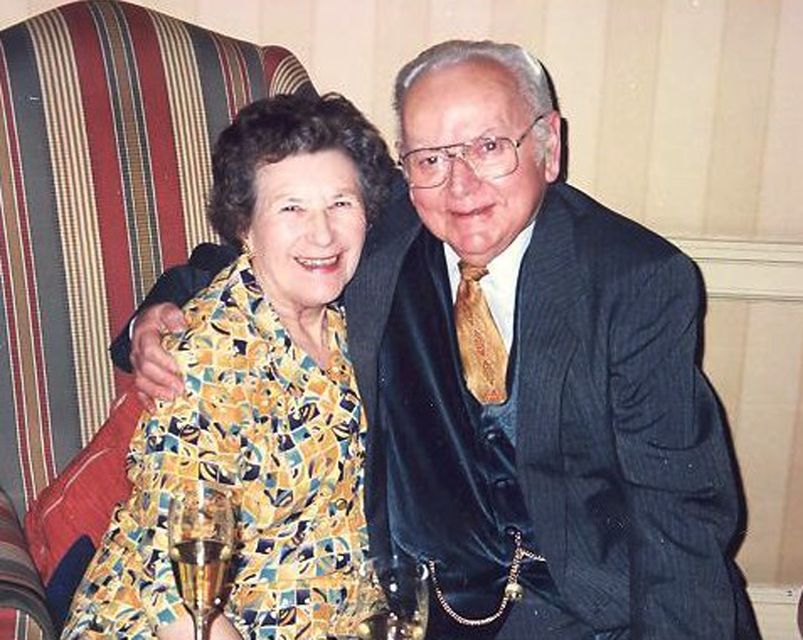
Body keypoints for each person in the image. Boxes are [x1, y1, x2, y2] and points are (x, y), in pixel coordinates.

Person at [115, 41, 758, 639]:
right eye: (430, 159)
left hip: (596, 610)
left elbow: (681, 508)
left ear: (548, 146)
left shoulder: (634, 281)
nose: (460, 184)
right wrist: (158, 314)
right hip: (431, 607)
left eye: (487, 147)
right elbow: (247, 247)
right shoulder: (374, 227)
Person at [64, 91, 394, 639]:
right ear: (244, 226)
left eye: (341, 203)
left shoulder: (342, 322)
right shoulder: (204, 354)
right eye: (291, 208)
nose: (322, 233)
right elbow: (175, 590)